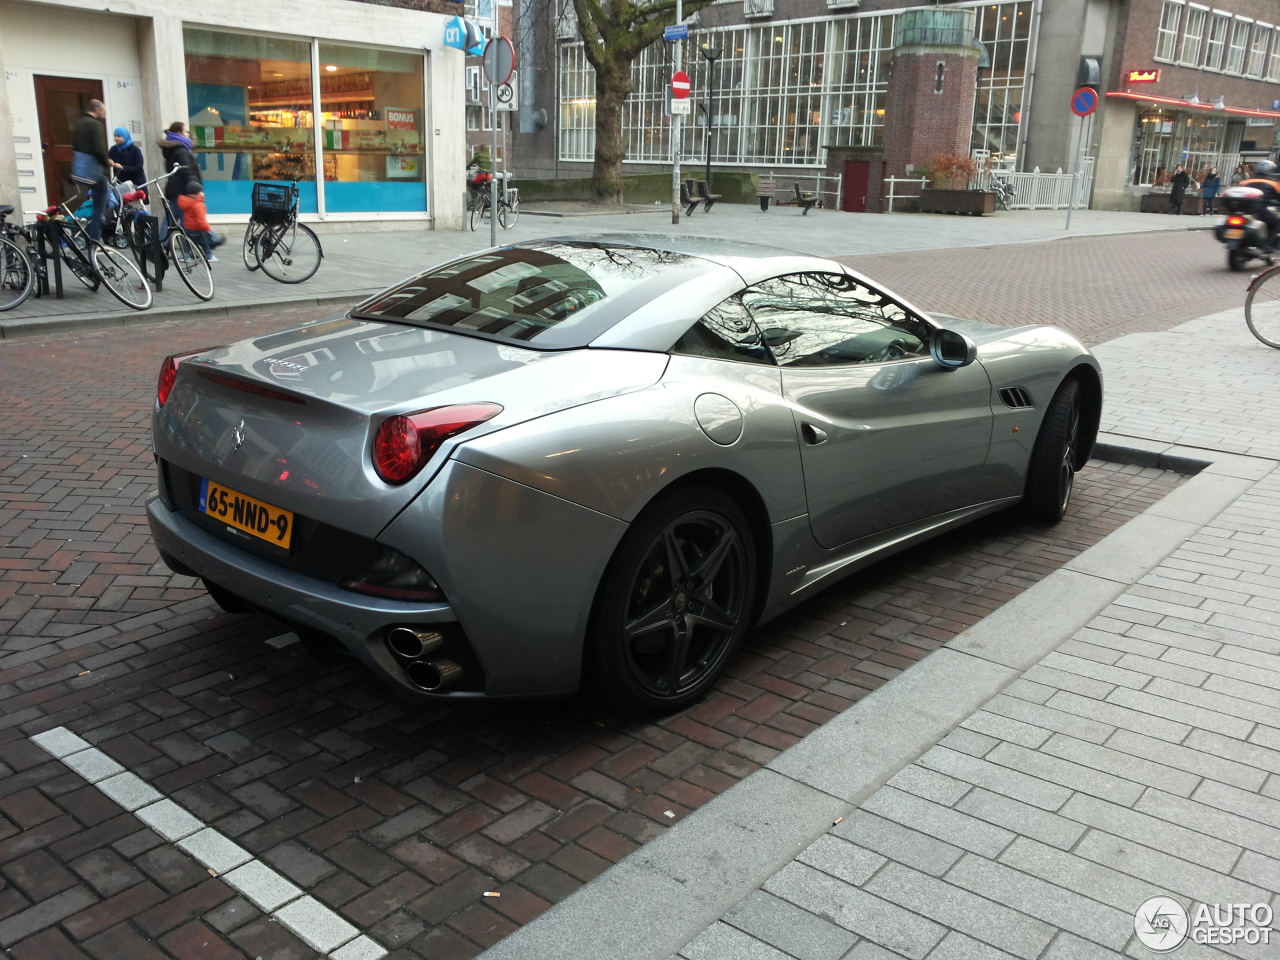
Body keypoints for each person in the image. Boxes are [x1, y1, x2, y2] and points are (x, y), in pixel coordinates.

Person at [67, 99, 111, 241]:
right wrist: (107, 162)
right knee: (100, 207)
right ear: (97, 110)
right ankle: (95, 240)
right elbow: (99, 148)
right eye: (103, 110)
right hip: (95, 170)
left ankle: (87, 235)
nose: (104, 113)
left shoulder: (78, 123)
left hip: (81, 170)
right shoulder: (95, 125)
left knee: (92, 202)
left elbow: (76, 146)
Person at [158, 121, 202, 229]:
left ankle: (162, 242)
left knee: (170, 217)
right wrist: (194, 187)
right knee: (185, 218)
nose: (188, 134)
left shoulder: (172, 150)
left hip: (174, 188)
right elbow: (186, 170)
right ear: (179, 133)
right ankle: (187, 243)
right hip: (183, 189)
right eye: (186, 131)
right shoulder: (181, 150)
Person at [176, 183, 224, 262]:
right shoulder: (198, 204)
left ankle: (186, 256)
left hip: (188, 227)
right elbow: (201, 219)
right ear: (197, 193)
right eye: (201, 191)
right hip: (198, 229)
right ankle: (208, 256)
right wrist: (207, 228)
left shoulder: (187, 202)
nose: (203, 193)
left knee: (188, 243)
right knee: (204, 244)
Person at [1239, 159, 1280, 250]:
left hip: (1243, 211)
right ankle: (1267, 245)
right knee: (1277, 222)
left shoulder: (1245, 182)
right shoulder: (1273, 183)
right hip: (1259, 211)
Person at [108, 126, 145, 194]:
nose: (116, 138)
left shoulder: (135, 150)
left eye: (119, 136)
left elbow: (139, 168)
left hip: (135, 184)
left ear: (125, 136)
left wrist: (123, 168)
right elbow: (107, 159)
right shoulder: (113, 149)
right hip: (120, 184)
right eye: (115, 136)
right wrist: (109, 161)